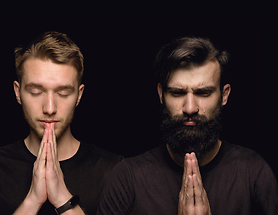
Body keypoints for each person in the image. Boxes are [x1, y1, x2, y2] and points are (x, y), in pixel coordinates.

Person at [98, 37, 278, 215]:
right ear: (161, 94)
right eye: (177, 93)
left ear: (224, 95)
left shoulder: (254, 173)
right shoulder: (127, 178)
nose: (190, 108)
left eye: (204, 92)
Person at [0, 31, 122, 215]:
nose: (49, 108)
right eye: (36, 92)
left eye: (62, 93)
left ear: (79, 95)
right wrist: (33, 199)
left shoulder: (113, 170)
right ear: (17, 92)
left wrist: (62, 198)